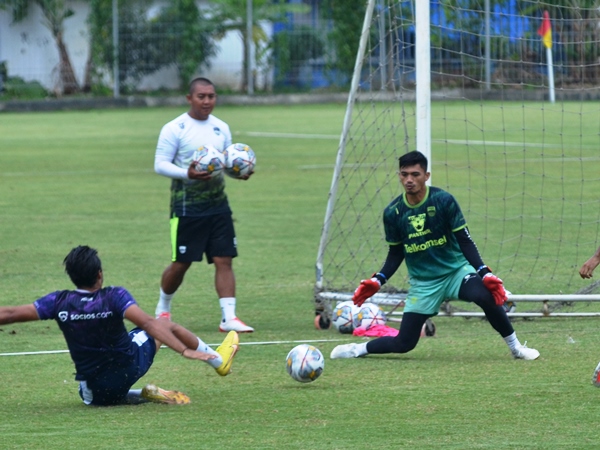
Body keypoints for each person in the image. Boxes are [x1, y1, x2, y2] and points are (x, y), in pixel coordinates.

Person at [330, 151, 540, 361]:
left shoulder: (443, 200)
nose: (409, 180)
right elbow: (396, 253)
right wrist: (378, 279)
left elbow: (465, 240)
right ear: (399, 176)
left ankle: (516, 348)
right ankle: (357, 350)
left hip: (456, 272)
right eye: (404, 175)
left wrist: (484, 273)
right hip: (424, 283)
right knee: (404, 343)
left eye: (415, 174)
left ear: (426, 175)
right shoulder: (393, 212)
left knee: (484, 295)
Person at [0, 246, 240, 406]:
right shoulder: (114, 296)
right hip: (130, 367)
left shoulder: (59, 302)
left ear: (72, 276)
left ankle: (139, 395)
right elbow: (148, 322)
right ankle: (219, 362)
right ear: (99, 274)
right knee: (163, 324)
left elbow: (10, 313)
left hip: (94, 395)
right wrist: (184, 350)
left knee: (95, 388)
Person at [154, 76, 254, 333]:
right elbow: (160, 164)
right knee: (181, 262)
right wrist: (188, 174)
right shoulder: (175, 128)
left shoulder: (221, 127)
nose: (207, 101)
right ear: (190, 98)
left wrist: (238, 173)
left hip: (219, 206)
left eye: (211, 96)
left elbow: (225, 164)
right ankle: (162, 309)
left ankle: (228, 317)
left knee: (224, 258)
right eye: (202, 96)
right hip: (187, 209)